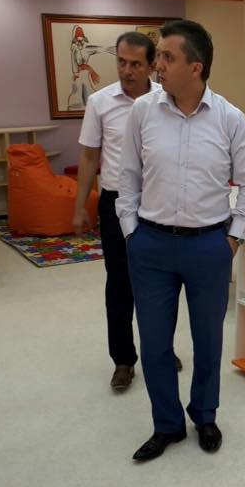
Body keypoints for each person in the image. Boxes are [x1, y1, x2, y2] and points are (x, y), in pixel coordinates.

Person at [117, 19, 245, 462]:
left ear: (195, 67)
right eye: (158, 56)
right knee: (154, 343)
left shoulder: (231, 118)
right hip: (151, 245)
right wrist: (131, 232)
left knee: (208, 340)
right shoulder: (143, 112)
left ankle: (204, 414)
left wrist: (232, 241)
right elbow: (128, 176)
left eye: (167, 57)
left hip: (208, 247)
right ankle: (167, 424)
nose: (156, 65)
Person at [73, 31, 181, 392]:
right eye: (121, 62)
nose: (126, 70)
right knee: (119, 283)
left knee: (163, 284)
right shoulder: (101, 102)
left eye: (135, 64)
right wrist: (80, 206)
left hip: (158, 203)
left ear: (152, 65)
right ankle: (123, 360)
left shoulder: (168, 99)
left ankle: (162, 350)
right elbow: (89, 155)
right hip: (116, 202)